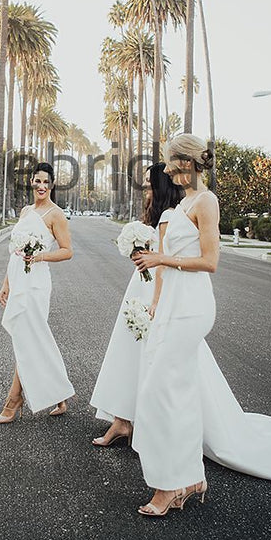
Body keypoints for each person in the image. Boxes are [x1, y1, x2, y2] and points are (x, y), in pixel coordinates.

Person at [131, 133, 271, 518]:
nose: (166, 169)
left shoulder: (206, 201)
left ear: (188, 163)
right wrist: (158, 283)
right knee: (170, 391)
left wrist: (162, 258)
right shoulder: (184, 203)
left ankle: (171, 484)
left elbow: (211, 261)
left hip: (192, 307)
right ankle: (188, 478)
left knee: (163, 392)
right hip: (174, 304)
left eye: (170, 162)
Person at [89, 164, 182, 446]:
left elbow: (165, 262)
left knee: (146, 354)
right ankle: (122, 421)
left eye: (149, 183)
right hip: (140, 286)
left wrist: (155, 301)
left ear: (161, 186)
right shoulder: (157, 215)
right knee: (127, 350)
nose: (145, 189)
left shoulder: (167, 216)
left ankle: (143, 422)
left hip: (151, 290)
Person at [0, 162, 75, 423]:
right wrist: (7, 283)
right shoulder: (26, 211)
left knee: (28, 339)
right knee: (31, 338)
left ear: (51, 185)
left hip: (37, 283)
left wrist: (40, 257)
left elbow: (67, 251)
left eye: (46, 182)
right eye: (37, 181)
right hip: (18, 279)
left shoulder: (56, 215)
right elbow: (15, 251)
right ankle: (60, 392)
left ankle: (14, 400)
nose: (41, 186)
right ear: (31, 182)